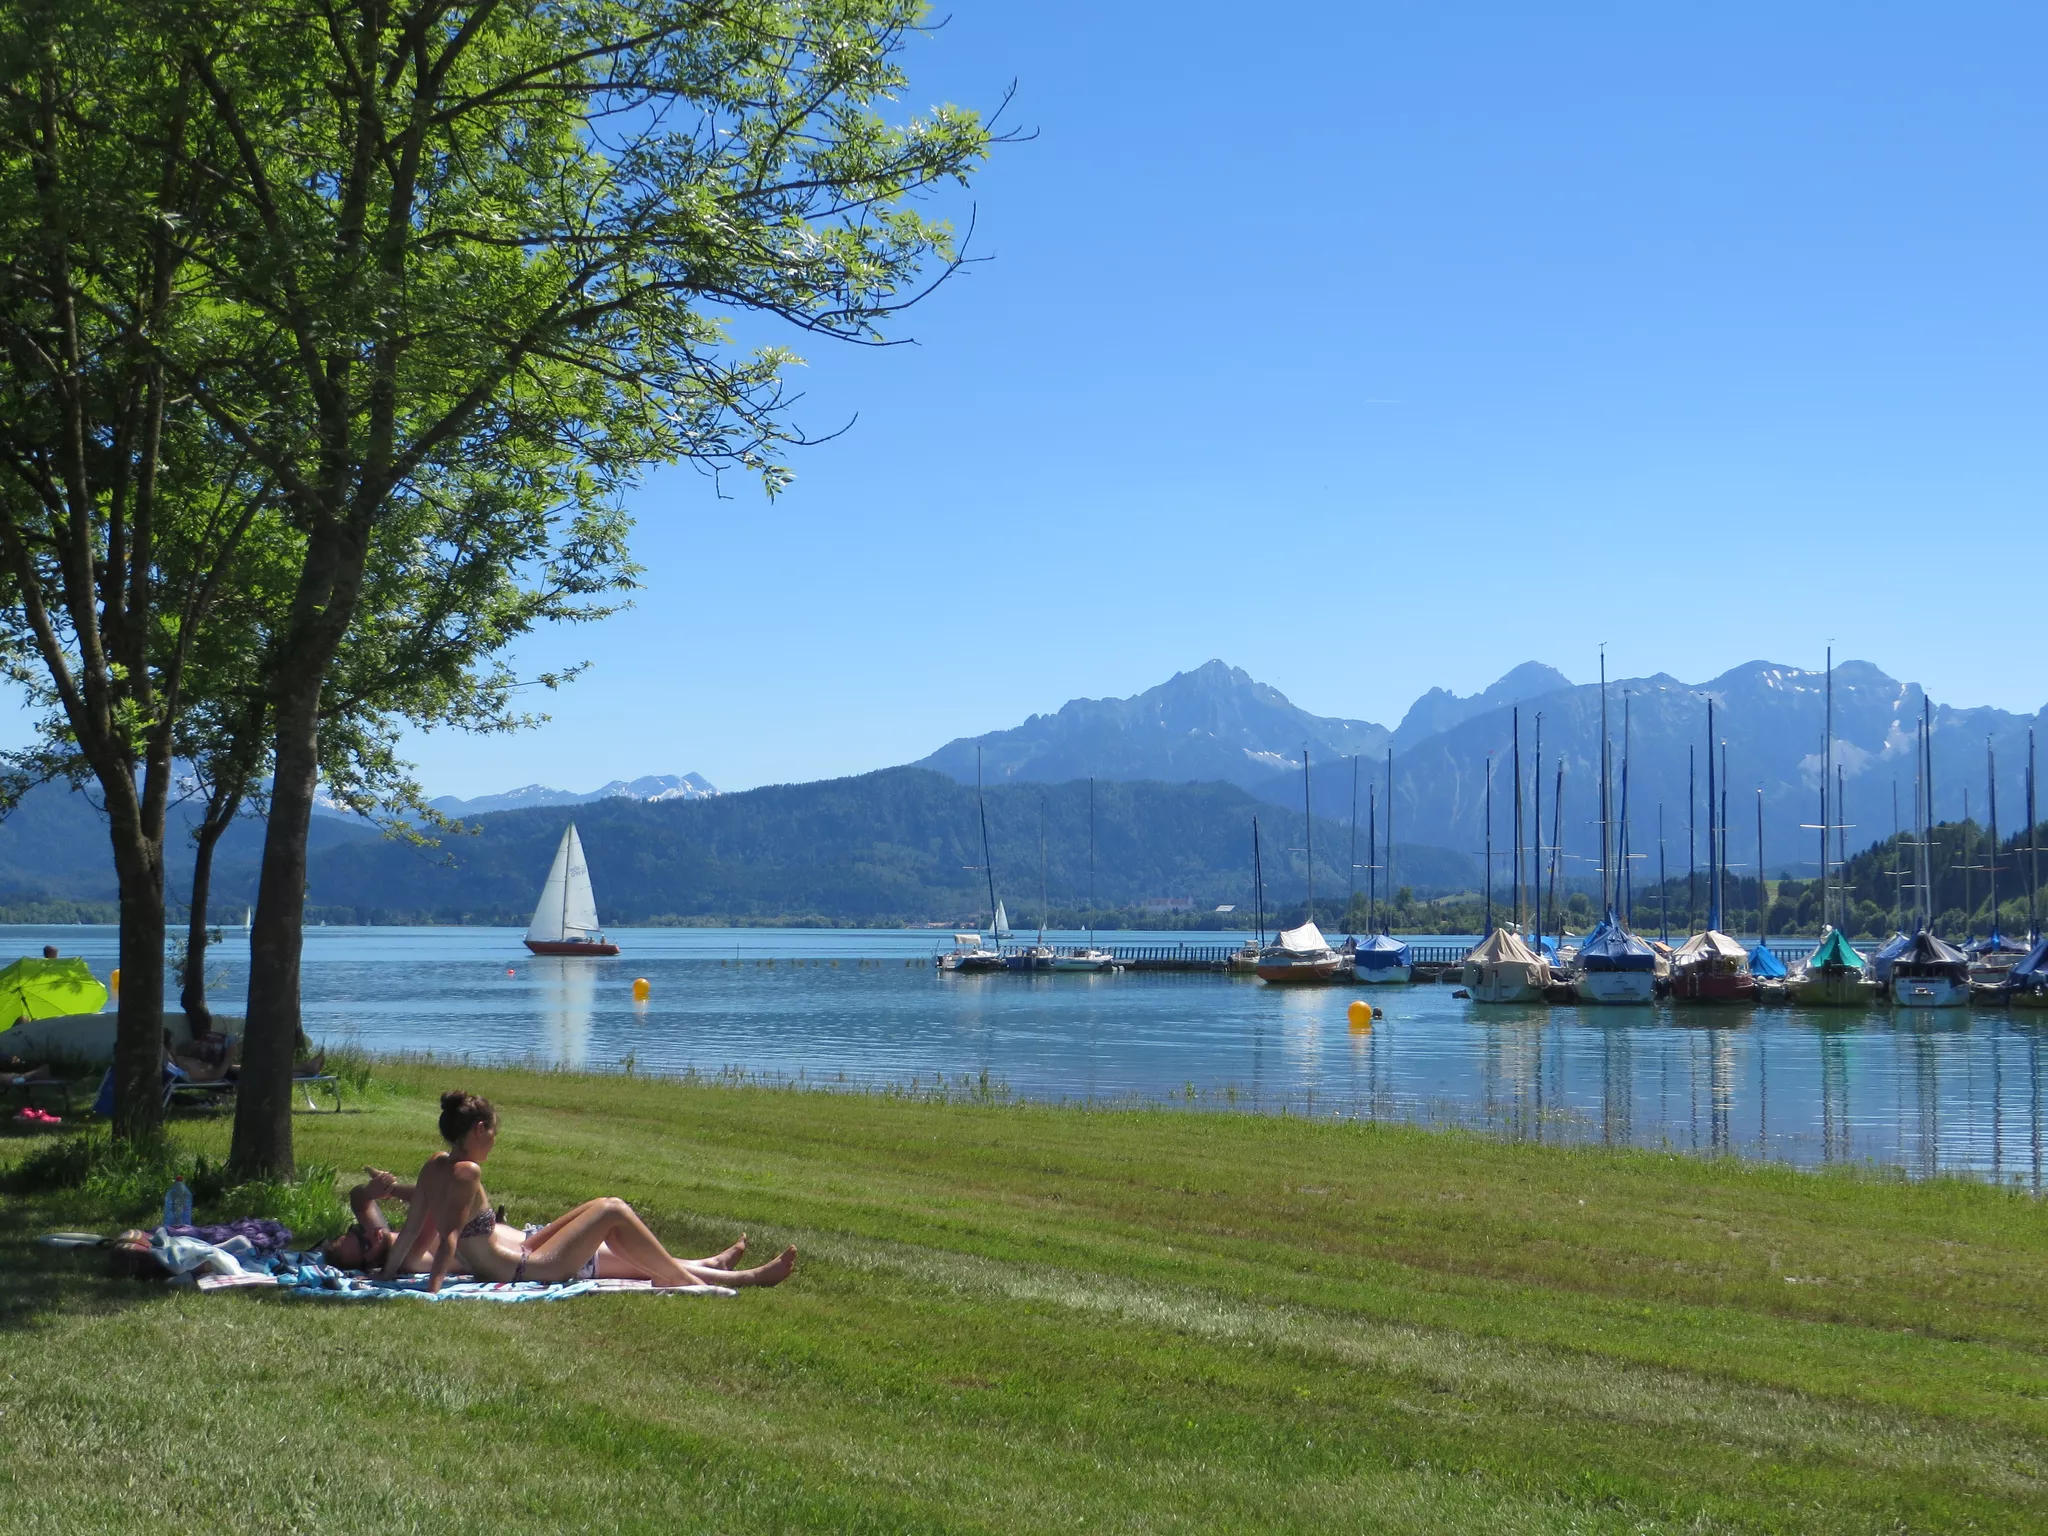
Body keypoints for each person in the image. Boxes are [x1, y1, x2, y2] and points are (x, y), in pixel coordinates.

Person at [380, 1091, 794, 1293]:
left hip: (519, 1254)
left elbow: (414, 1224)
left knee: (599, 1205)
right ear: (478, 1129)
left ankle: (715, 1266)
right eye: (493, 1132)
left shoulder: (435, 1164)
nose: (494, 1141)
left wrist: (386, 1275)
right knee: (613, 1210)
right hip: (527, 1267)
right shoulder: (467, 1172)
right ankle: (702, 1284)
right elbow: (449, 1236)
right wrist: (431, 1292)